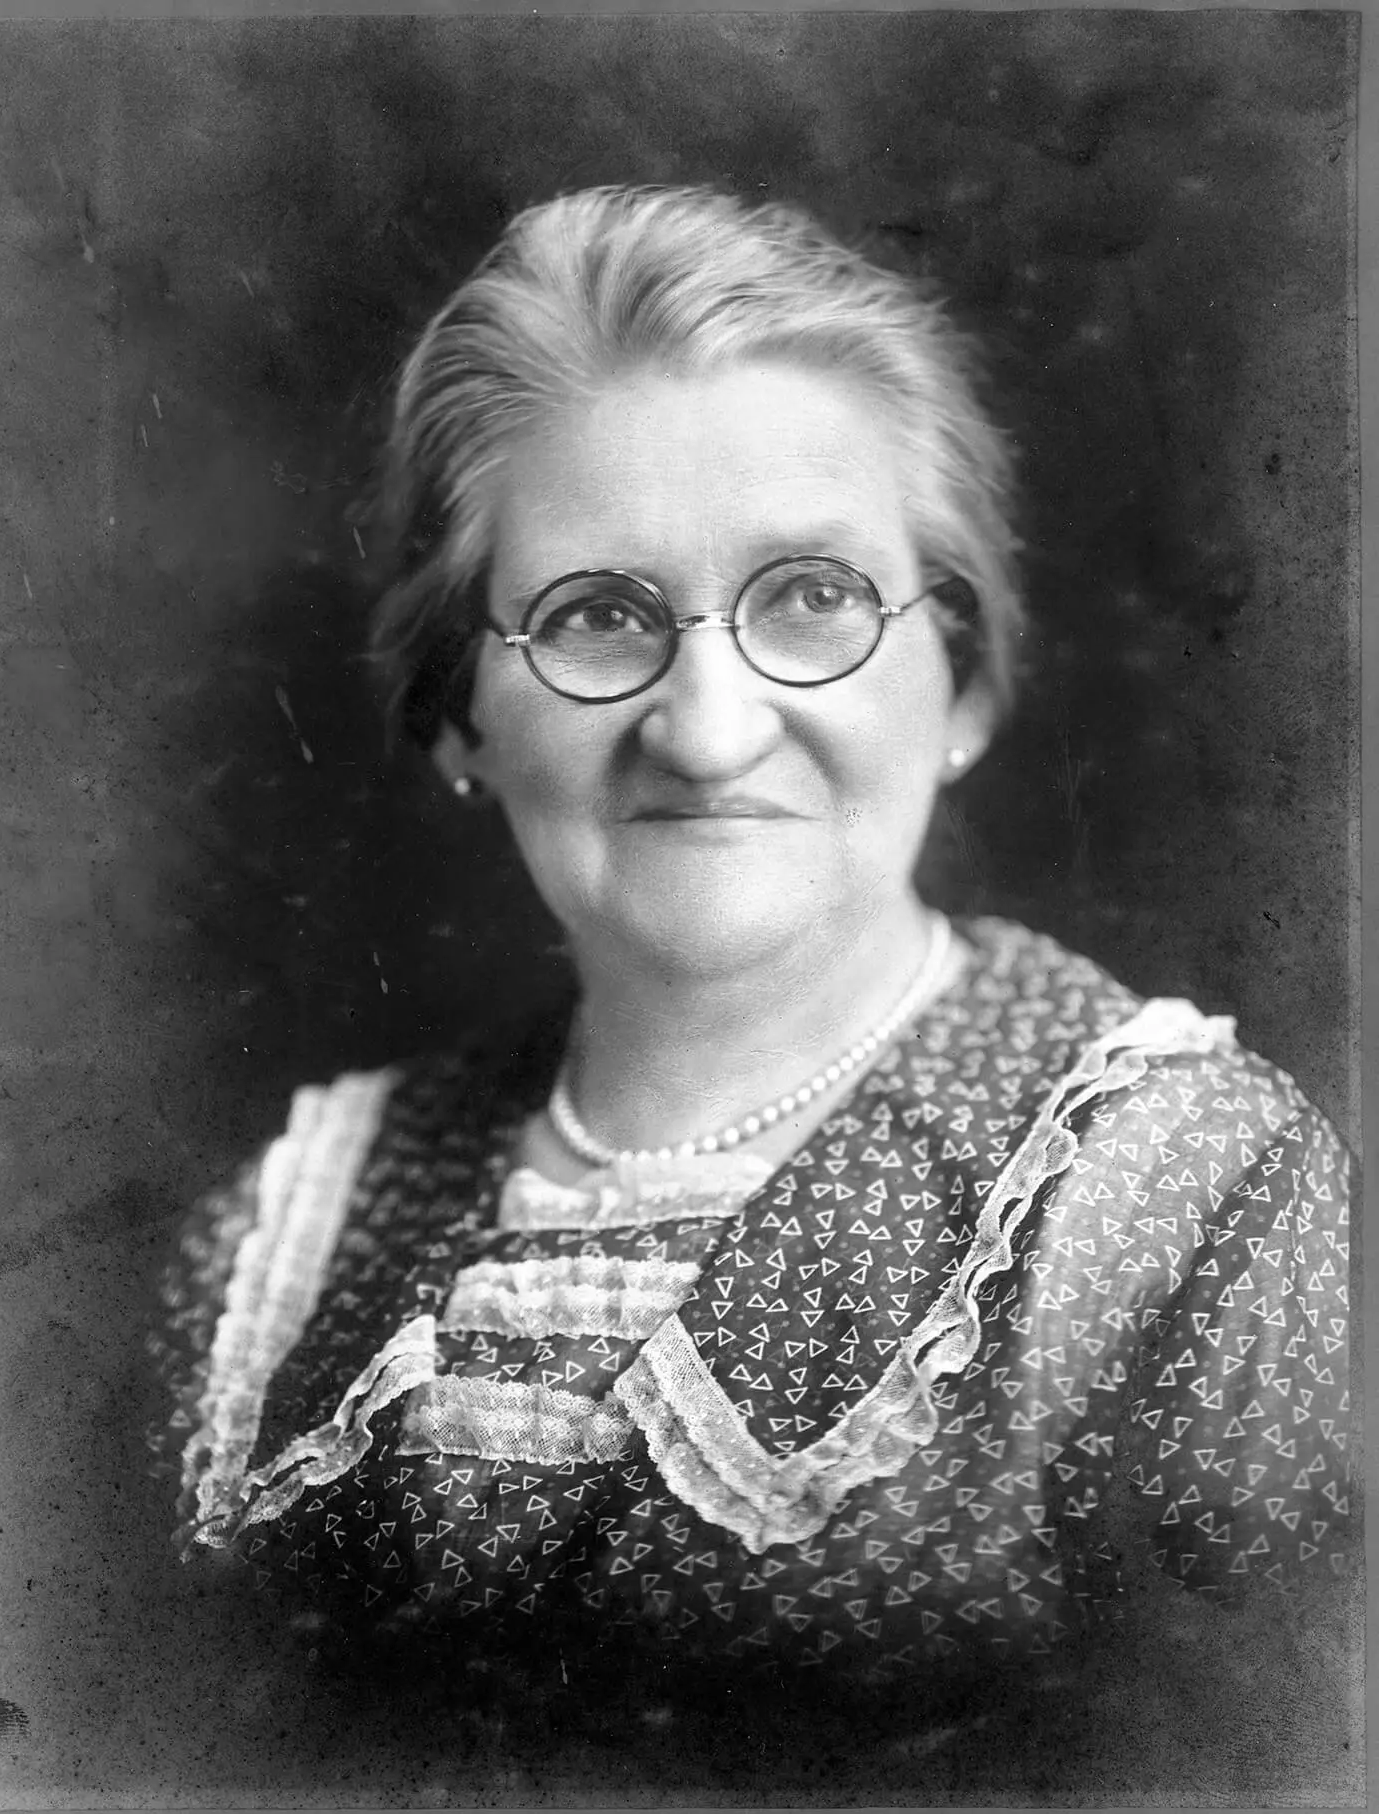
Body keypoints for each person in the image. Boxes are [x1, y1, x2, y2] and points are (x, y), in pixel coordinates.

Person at [149, 185, 1355, 1789]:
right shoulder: (271, 1247)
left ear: (965, 680)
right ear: (457, 721)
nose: (709, 729)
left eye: (812, 597)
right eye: (594, 616)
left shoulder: (1187, 1197)